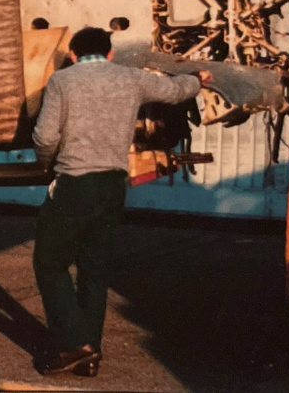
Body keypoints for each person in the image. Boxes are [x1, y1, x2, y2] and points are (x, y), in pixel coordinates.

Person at [31, 26, 211, 377]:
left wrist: (46, 163)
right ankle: (90, 352)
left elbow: (44, 135)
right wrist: (197, 80)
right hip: (114, 184)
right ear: (110, 53)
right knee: (94, 268)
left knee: (50, 262)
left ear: (72, 54)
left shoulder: (62, 82)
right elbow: (175, 92)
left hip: (75, 183)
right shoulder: (132, 78)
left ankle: (75, 343)